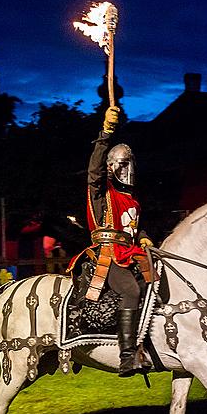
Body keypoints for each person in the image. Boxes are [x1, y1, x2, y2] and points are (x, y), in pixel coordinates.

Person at [69, 106, 153, 377]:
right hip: (107, 255)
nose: (125, 170)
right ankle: (127, 357)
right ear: (112, 167)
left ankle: (146, 343)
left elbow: (132, 228)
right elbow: (93, 170)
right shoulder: (101, 192)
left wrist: (144, 238)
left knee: (155, 285)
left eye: (128, 164)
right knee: (130, 291)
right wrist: (105, 132)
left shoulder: (133, 200)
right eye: (121, 164)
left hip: (130, 253)